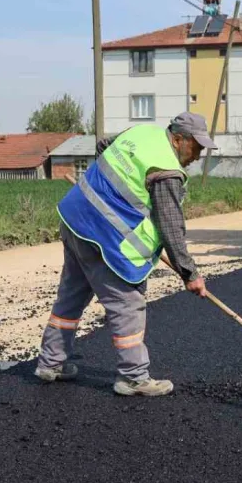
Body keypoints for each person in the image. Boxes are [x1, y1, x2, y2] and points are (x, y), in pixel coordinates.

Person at [34, 112, 217, 397]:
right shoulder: (166, 170)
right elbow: (171, 228)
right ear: (178, 139)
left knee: (71, 295)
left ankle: (50, 362)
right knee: (128, 305)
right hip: (105, 240)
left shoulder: (142, 133)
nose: (198, 155)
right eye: (196, 147)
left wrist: (108, 196)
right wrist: (189, 273)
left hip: (75, 219)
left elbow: (103, 146)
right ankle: (133, 377)